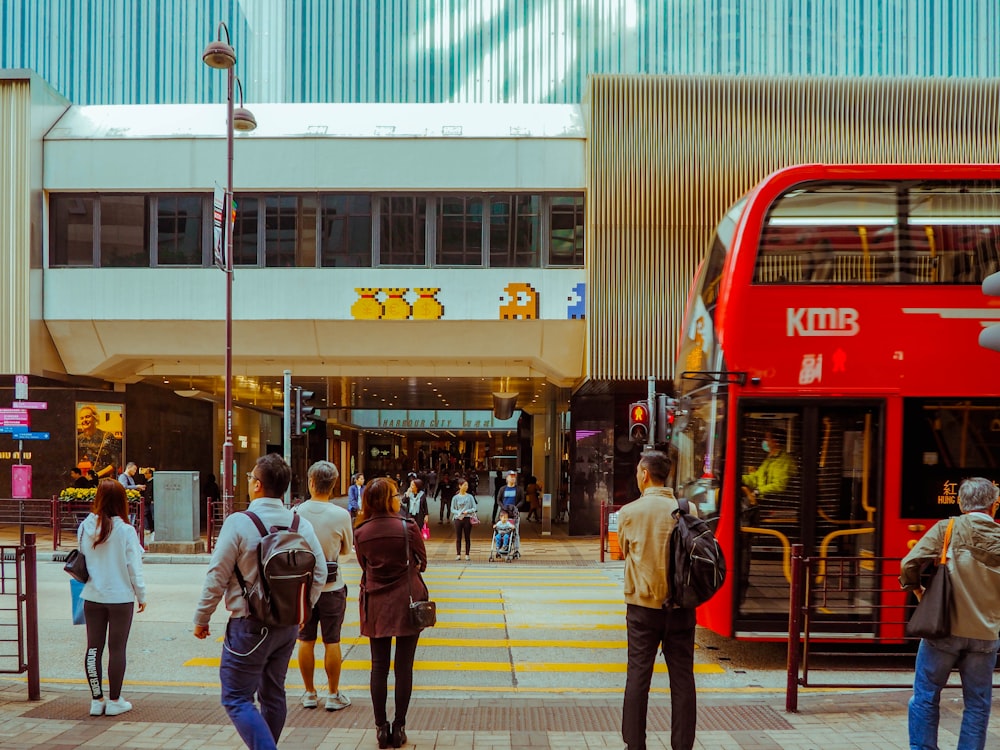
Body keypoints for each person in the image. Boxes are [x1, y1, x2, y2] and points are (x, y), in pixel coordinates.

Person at [193, 453, 326, 750]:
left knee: (236, 697)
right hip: (288, 625)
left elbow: (218, 574)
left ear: (256, 485)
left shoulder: (240, 523)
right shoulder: (299, 523)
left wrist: (202, 618)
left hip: (249, 625)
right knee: (273, 694)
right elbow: (320, 571)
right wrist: (303, 609)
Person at [900, 477, 1000, 750]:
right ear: (994, 505)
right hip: (985, 634)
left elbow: (909, 563)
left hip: (943, 629)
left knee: (925, 696)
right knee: (978, 705)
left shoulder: (947, 528)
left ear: (960, 503)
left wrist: (918, 591)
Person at [618, 450, 697, 750]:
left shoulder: (629, 513)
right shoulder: (688, 509)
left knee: (638, 678)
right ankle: (682, 745)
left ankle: (635, 744)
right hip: (681, 608)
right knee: (683, 680)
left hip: (642, 610)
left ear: (644, 474)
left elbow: (625, 551)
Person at [354, 477, 429, 749]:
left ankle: (380, 728)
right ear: (390, 499)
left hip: (376, 602)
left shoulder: (361, 531)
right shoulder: (407, 527)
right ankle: (399, 727)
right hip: (407, 601)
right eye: (395, 494)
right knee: (404, 666)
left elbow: (364, 565)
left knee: (378, 666)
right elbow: (422, 561)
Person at [79, 479, 147, 717]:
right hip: (120, 597)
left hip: (92, 595)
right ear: (121, 502)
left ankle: (97, 700)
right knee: (117, 649)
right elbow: (133, 567)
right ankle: (115, 700)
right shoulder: (126, 531)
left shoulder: (85, 527)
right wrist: (142, 595)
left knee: (93, 649)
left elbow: (82, 560)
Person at [294, 461, 354, 712]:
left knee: (305, 640)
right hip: (332, 587)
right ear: (333, 485)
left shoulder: (296, 513)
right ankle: (332, 694)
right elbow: (346, 551)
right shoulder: (341, 515)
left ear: (310, 482)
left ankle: (309, 693)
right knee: (332, 640)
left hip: (303, 590)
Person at [77, 404, 122, 479]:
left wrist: (97, 475)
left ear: (95, 418)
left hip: (107, 479)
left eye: (87, 417)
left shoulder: (107, 436)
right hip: (92, 478)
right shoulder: (80, 439)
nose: (84, 420)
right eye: (82, 418)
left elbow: (116, 462)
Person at [451, 477, 478, 561]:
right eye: (465, 485)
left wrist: (468, 511)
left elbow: (474, 508)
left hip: (467, 518)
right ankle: (458, 554)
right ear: (460, 486)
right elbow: (452, 509)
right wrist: (458, 512)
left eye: (467, 485)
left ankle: (467, 554)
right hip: (458, 519)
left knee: (467, 537)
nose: (466, 487)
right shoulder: (455, 498)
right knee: (458, 537)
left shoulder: (470, 497)